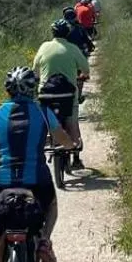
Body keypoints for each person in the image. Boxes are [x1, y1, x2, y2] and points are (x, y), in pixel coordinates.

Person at [0, 65, 74, 262]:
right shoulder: (43, 112)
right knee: (52, 206)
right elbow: (61, 137)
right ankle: (43, 241)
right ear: (33, 89)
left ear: (7, 90)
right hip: (37, 182)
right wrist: (71, 144)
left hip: (4, 182)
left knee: (2, 237)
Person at [34, 20, 90, 169]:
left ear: (52, 33)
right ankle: (76, 156)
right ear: (67, 33)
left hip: (46, 94)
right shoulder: (72, 48)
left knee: (44, 121)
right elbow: (86, 69)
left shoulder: (44, 47)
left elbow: (35, 70)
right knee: (72, 121)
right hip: (68, 94)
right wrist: (83, 76)